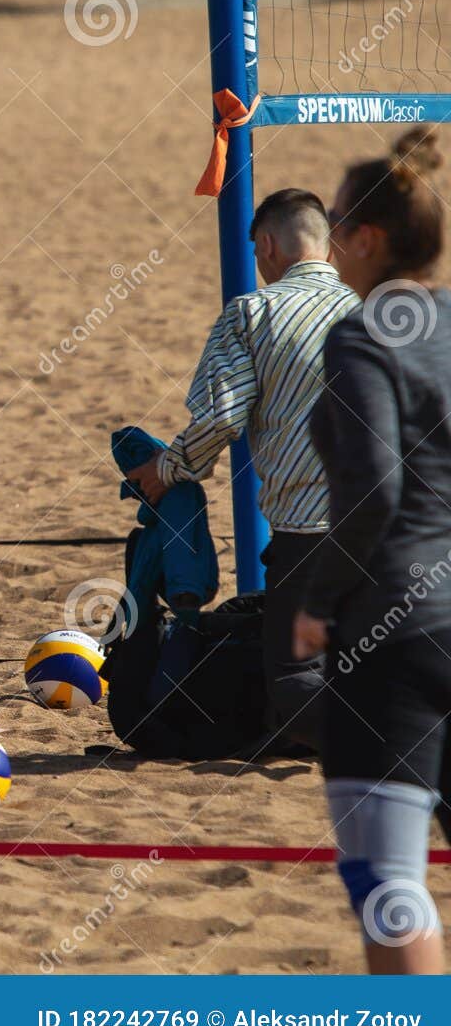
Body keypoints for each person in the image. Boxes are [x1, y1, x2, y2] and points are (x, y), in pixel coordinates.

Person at [294, 127, 451, 974]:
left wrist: (320, 599)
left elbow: (375, 489)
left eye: (336, 220)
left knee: (389, 888)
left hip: (396, 633)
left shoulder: (360, 338)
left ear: (367, 239)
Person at [125, 188, 355, 750]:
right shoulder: (375, 307)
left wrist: (169, 468)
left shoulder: (252, 313)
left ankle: (403, 739)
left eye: (257, 251)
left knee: (295, 681)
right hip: (399, 524)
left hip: (312, 531)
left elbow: (221, 418)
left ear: (269, 244)